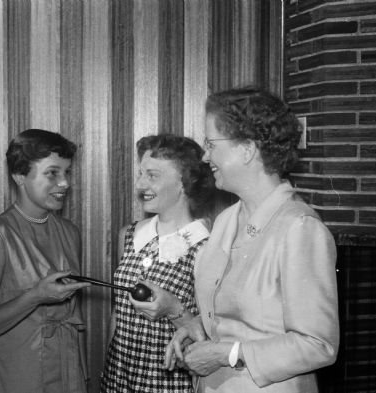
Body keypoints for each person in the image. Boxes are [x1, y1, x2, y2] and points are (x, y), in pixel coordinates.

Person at [164, 87, 339, 392]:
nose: (206, 157)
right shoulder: (226, 221)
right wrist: (198, 328)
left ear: (247, 149)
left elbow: (317, 344)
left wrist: (228, 354)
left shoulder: (299, 228)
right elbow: (228, 315)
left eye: (212, 144)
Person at [0, 129, 91, 393]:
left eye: (67, 172)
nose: (65, 183)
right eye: (52, 173)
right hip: (22, 376)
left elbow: (75, 318)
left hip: (69, 376)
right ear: (20, 175)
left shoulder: (70, 232)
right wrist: (35, 296)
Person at [101, 134, 215, 393]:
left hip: (169, 383)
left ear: (185, 182)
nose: (140, 184)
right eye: (141, 174)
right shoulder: (130, 235)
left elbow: (209, 334)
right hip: (118, 380)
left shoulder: (205, 246)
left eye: (152, 175)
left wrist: (172, 309)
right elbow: (118, 313)